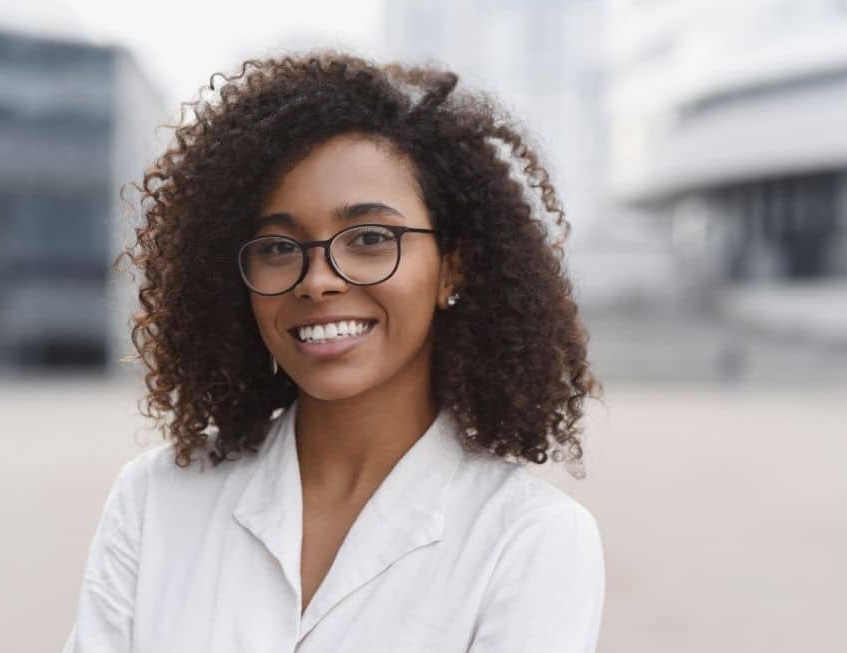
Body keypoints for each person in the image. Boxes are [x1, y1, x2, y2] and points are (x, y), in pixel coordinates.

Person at [61, 49, 606, 652]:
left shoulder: (531, 539)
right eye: (276, 247)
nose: (316, 279)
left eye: (371, 239)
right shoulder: (154, 500)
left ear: (453, 267)